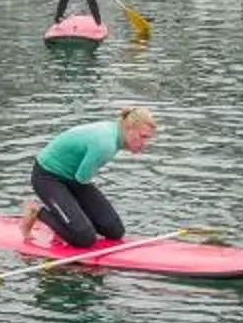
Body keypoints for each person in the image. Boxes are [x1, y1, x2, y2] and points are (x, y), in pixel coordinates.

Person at [20, 105, 158, 249]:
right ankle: (36, 211)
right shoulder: (106, 145)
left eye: (148, 138)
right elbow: (82, 178)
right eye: (143, 137)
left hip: (73, 178)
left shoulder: (115, 133)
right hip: (47, 177)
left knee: (115, 231)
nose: (144, 144)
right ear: (129, 128)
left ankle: (71, 220)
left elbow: (80, 180)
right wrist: (78, 216)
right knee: (84, 238)